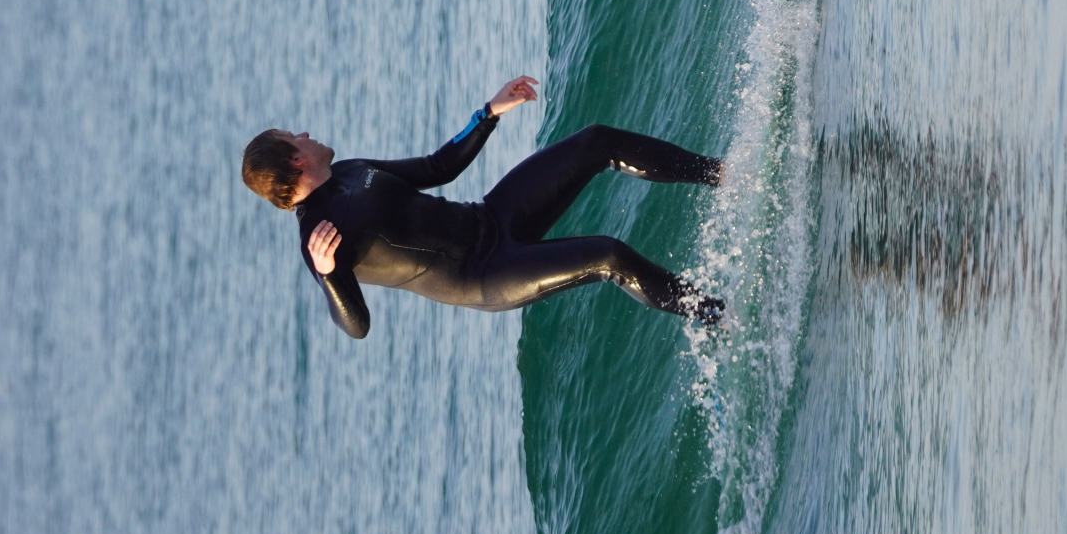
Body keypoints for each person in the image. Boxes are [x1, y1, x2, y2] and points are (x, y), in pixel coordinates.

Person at [243, 76, 726, 339]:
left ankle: (722, 174)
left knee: (594, 142)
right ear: (295, 159)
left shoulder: (348, 169)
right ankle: (721, 316)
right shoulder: (319, 242)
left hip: (491, 217)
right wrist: (330, 276)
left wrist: (486, 115)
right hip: (485, 274)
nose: (304, 133)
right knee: (607, 256)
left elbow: (437, 166)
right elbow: (356, 326)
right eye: (294, 136)